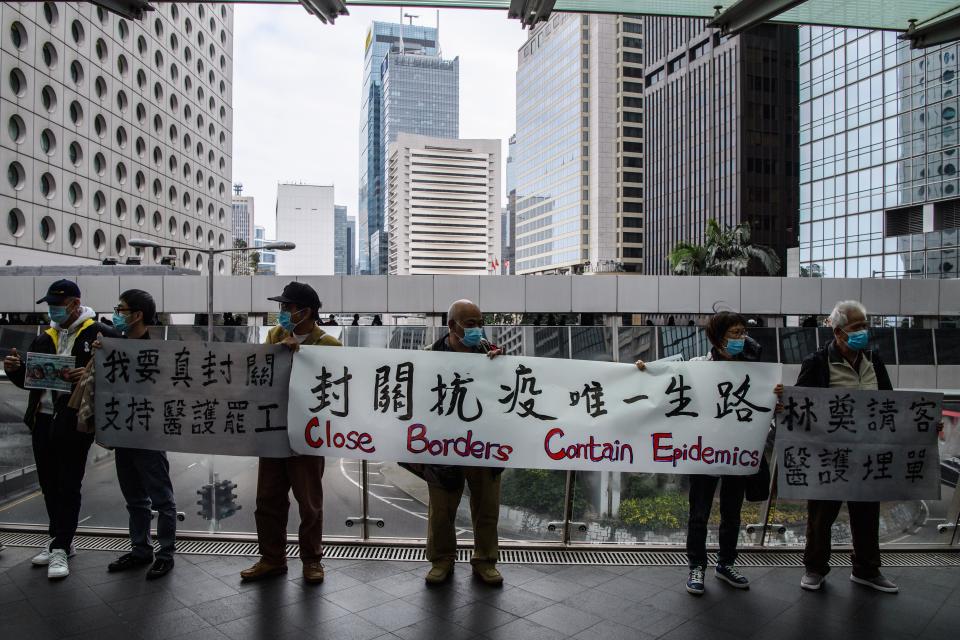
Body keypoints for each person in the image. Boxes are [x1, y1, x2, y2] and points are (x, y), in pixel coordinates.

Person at [636, 311, 782, 596]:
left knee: (732, 513)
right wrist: (643, 370)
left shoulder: (754, 371)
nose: (742, 338)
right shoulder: (698, 367)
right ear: (716, 338)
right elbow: (666, 384)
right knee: (699, 513)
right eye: (735, 333)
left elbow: (763, 413)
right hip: (703, 453)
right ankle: (697, 566)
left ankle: (725, 564)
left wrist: (774, 403)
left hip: (737, 453)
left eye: (743, 332)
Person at [2, 280, 118, 579]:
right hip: (42, 417)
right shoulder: (45, 337)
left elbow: (121, 371)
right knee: (49, 484)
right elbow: (33, 381)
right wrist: (15, 370)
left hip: (74, 420)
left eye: (58, 304)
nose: (53, 309)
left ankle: (62, 545)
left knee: (68, 484)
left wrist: (93, 372)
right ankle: (58, 541)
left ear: (75, 304)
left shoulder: (99, 333)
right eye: (50, 304)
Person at [240, 282, 341, 584]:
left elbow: (337, 392)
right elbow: (255, 374)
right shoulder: (273, 337)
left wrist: (303, 356)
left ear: (305, 312)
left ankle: (312, 561)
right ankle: (271, 558)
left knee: (309, 502)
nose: (282, 313)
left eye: (287, 308)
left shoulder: (329, 347)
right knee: (267, 499)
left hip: (308, 437)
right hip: (272, 432)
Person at [797, 300, 898, 594]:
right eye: (857, 328)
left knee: (867, 514)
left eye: (865, 326)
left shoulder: (873, 361)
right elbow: (802, 407)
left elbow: (889, 403)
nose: (863, 333)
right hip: (829, 456)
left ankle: (867, 569)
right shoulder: (816, 363)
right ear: (838, 332)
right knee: (821, 516)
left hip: (866, 453)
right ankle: (815, 568)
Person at [421, 300, 504, 586]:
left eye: (480, 322)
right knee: (441, 509)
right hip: (444, 446)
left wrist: (500, 367)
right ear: (451, 326)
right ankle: (441, 559)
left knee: (487, 507)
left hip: (483, 444)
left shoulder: (491, 354)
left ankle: (485, 560)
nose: (477, 329)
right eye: (470, 324)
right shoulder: (429, 357)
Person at [104, 290, 178, 580]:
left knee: (162, 499)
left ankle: (165, 554)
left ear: (136, 315)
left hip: (149, 434)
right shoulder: (112, 346)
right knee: (134, 498)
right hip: (124, 431)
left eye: (120, 309)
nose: (116, 314)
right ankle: (140, 550)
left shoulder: (159, 350)